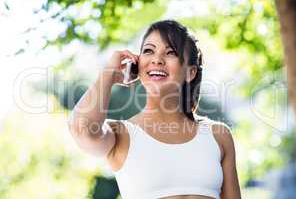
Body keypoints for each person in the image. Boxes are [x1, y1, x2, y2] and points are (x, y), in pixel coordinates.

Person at [68, 20, 241, 199]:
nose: (157, 59)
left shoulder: (218, 135)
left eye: (171, 52)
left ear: (191, 72)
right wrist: (109, 74)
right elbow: (81, 128)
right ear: (138, 63)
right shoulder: (122, 134)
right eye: (148, 51)